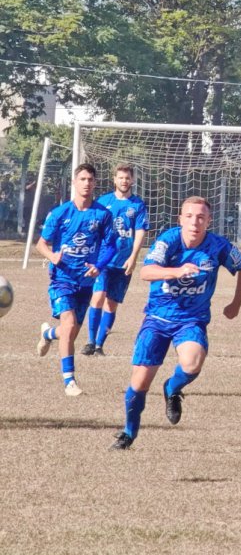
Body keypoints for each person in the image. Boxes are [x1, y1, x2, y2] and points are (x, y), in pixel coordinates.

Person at [110, 196, 241, 450]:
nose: (195, 222)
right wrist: (175, 271)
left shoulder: (218, 246)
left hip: (191, 320)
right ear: (180, 219)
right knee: (139, 384)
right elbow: (145, 272)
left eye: (200, 217)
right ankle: (129, 433)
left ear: (208, 221)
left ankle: (172, 387)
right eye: (189, 216)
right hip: (157, 319)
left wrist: (236, 303)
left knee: (193, 362)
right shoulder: (169, 240)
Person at [35, 163, 117, 396]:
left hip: (86, 282)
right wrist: (53, 256)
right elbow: (41, 243)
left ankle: (48, 334)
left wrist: (99, 266)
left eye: (91, 179)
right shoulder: (60, 213)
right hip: (62, 279)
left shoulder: (103, 214)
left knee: (68, 332)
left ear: (95, 183)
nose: (87, 183)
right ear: (74, 182)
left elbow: (111, 246)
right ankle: (69, 382)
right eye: (82, 179)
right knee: (69, 325)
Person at [82, 164, 149, 356]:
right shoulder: (104, 202)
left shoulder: (137, 205)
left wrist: (134, 257)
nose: (124, 181)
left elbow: (140, 232)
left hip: (124, 262)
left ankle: (99, 346)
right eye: (120, 177)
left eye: (127, 178)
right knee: (97, 297)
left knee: (111, 304)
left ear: (132, 180)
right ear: (114, 179)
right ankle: (90, 341)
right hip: (104, 261)